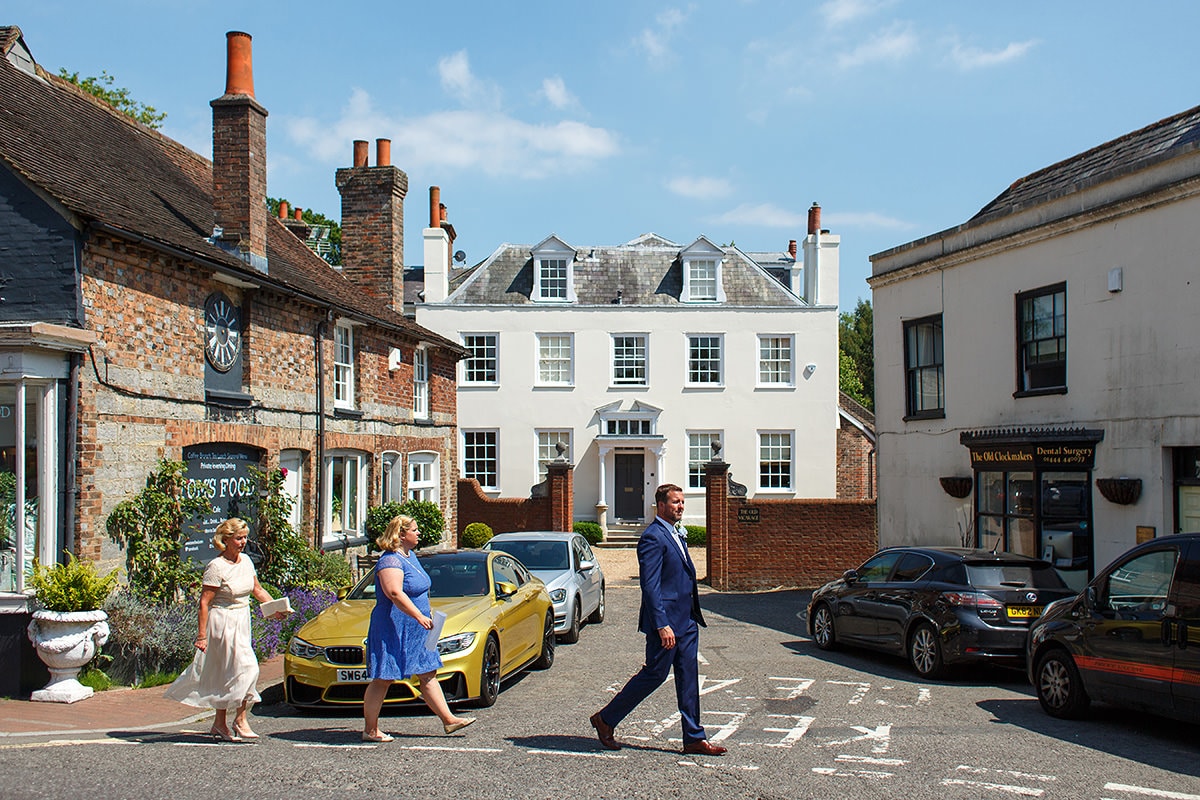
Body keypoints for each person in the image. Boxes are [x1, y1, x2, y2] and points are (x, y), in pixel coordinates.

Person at [589, 483, 727, 756]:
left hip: (687, 622)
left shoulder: (675, 534)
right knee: (654, 675)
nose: (681, 506)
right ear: (661, 505)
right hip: (666, 624)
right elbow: (650, 586)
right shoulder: (652, 537)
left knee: (689, 678)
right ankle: (605, 719)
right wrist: (661, 624)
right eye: (675, 502)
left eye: (682, 502)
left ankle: (694, 738)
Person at [165, 517, 287, 742]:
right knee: (247, 668)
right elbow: (204, 603)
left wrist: (274, 608)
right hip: (222, 623)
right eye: (238, 538)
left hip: (241, 620)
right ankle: (240, 720)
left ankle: (219, 724)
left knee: (228, 673)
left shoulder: (247, 562)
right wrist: (201, 636)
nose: (243, 542)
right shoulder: (216, 567)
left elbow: (257, 590)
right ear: (226, 539)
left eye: (245, 538)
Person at [362, 515, 475, 742]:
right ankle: (370, 730)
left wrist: (426, 613)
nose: (418, 533)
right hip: (393, 626)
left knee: (427, 672)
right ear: (401, 534)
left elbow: (418, 589)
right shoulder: (390, 561)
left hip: (416, 629)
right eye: (414, 530)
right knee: (383, 677)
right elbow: (394, 593)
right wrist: (418, 615)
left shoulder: (410, 556)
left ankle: (448, 720)